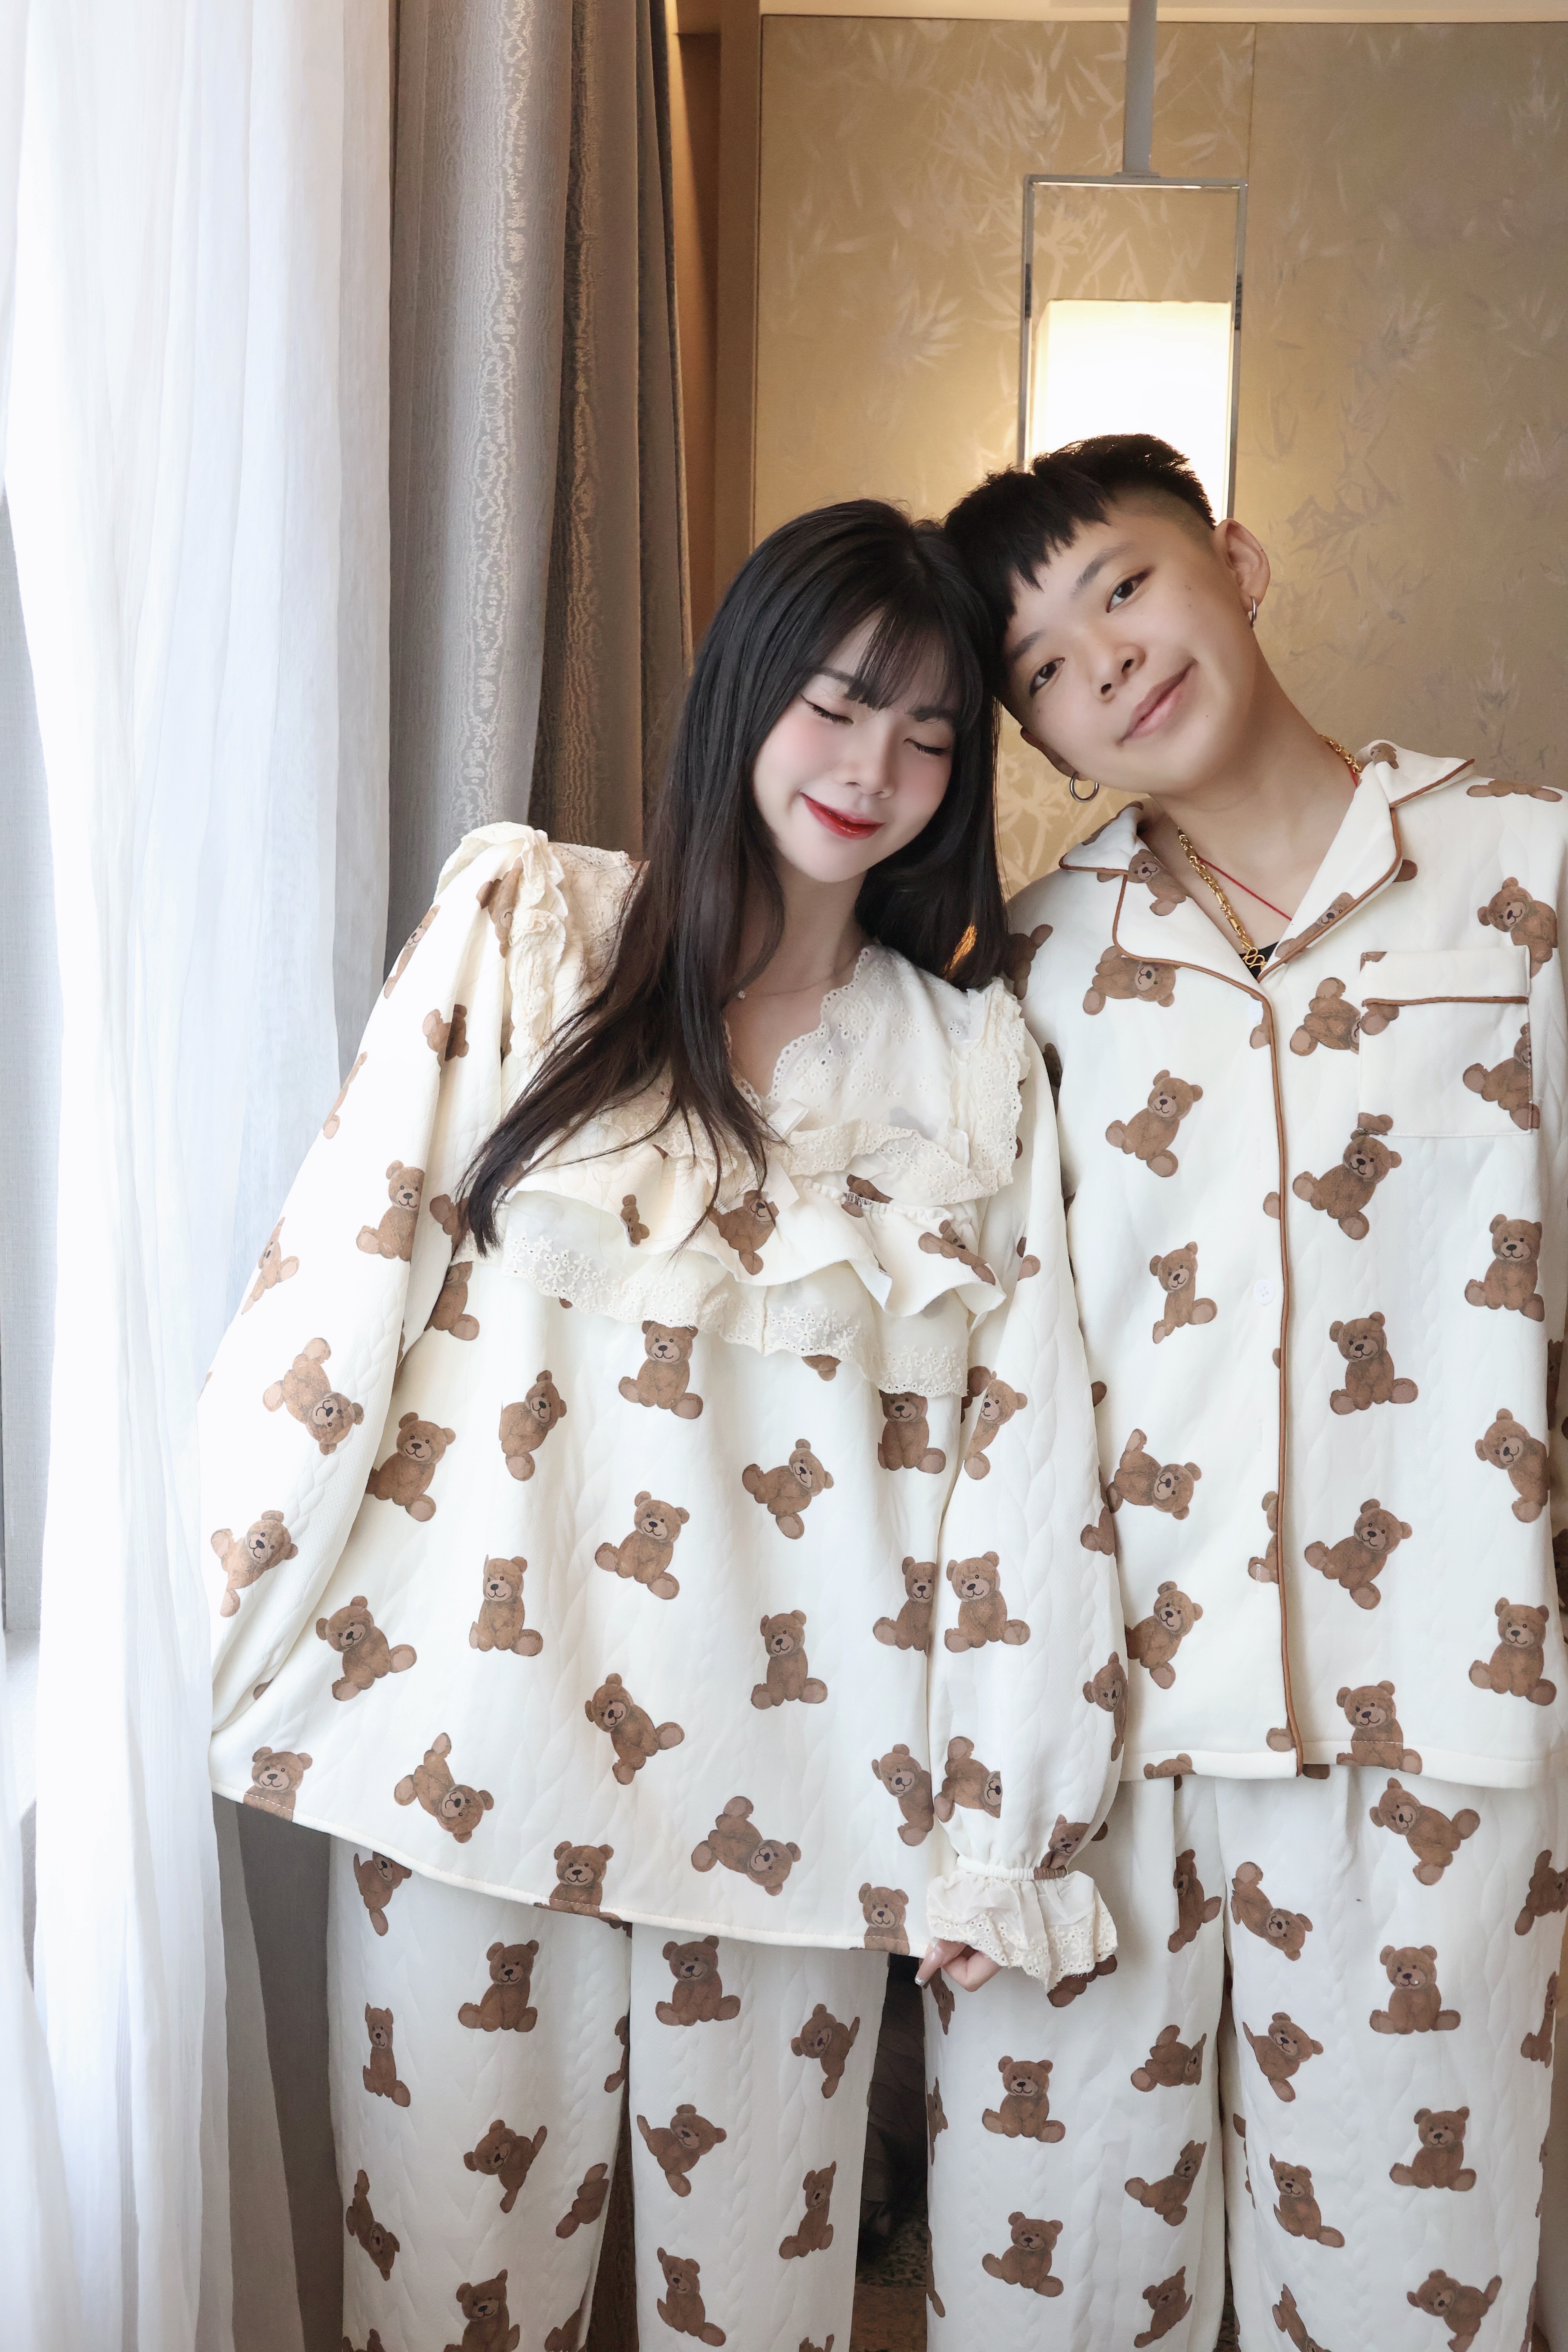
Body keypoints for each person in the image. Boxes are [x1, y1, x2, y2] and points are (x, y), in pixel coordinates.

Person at [201, 498, 1118, 2352]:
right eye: (835, 704)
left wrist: (999, 1820)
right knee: (443, 2306)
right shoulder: (531, 929)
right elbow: (337, 1276)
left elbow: (1018, 1468)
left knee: (762, 2321)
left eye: (931, 735)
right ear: (743, 690)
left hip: (811, 1791)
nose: (872, 769)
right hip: (473, 1745)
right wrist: (210, 1618)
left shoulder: (969, 1064)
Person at [928, 432, 1568, 2350]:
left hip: (1433, 1732)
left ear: (1238, 558)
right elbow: (991, 1387)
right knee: (1049, 2296)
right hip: (1101, 1751)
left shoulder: (1524, 877)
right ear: (1036, 740)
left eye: (1122, 587)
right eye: (1044, 666)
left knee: (1407, 2297)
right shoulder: (1029, 974)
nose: (1104, 662)